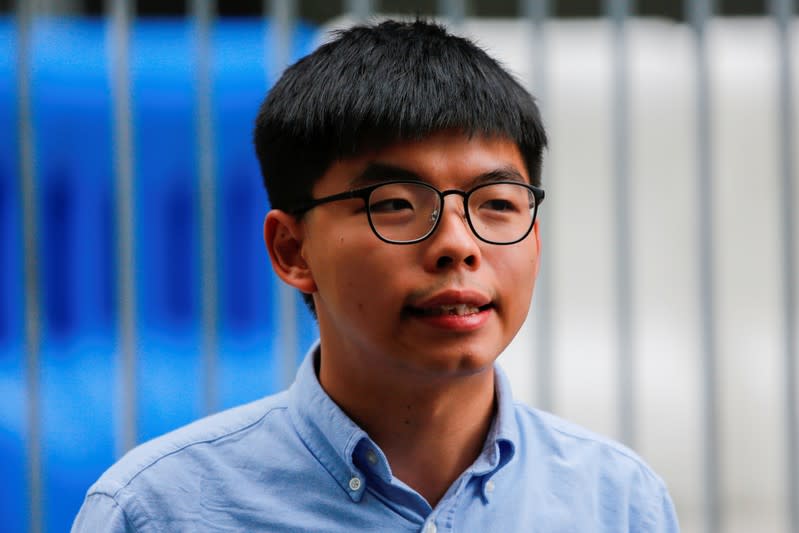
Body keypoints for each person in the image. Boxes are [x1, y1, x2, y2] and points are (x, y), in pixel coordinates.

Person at [73, 19, 679, 532]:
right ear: (293, 251)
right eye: (394, 204)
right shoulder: (160, 509)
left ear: (535, 236)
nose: (458, 246)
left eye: (496, 203)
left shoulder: (616, 503)